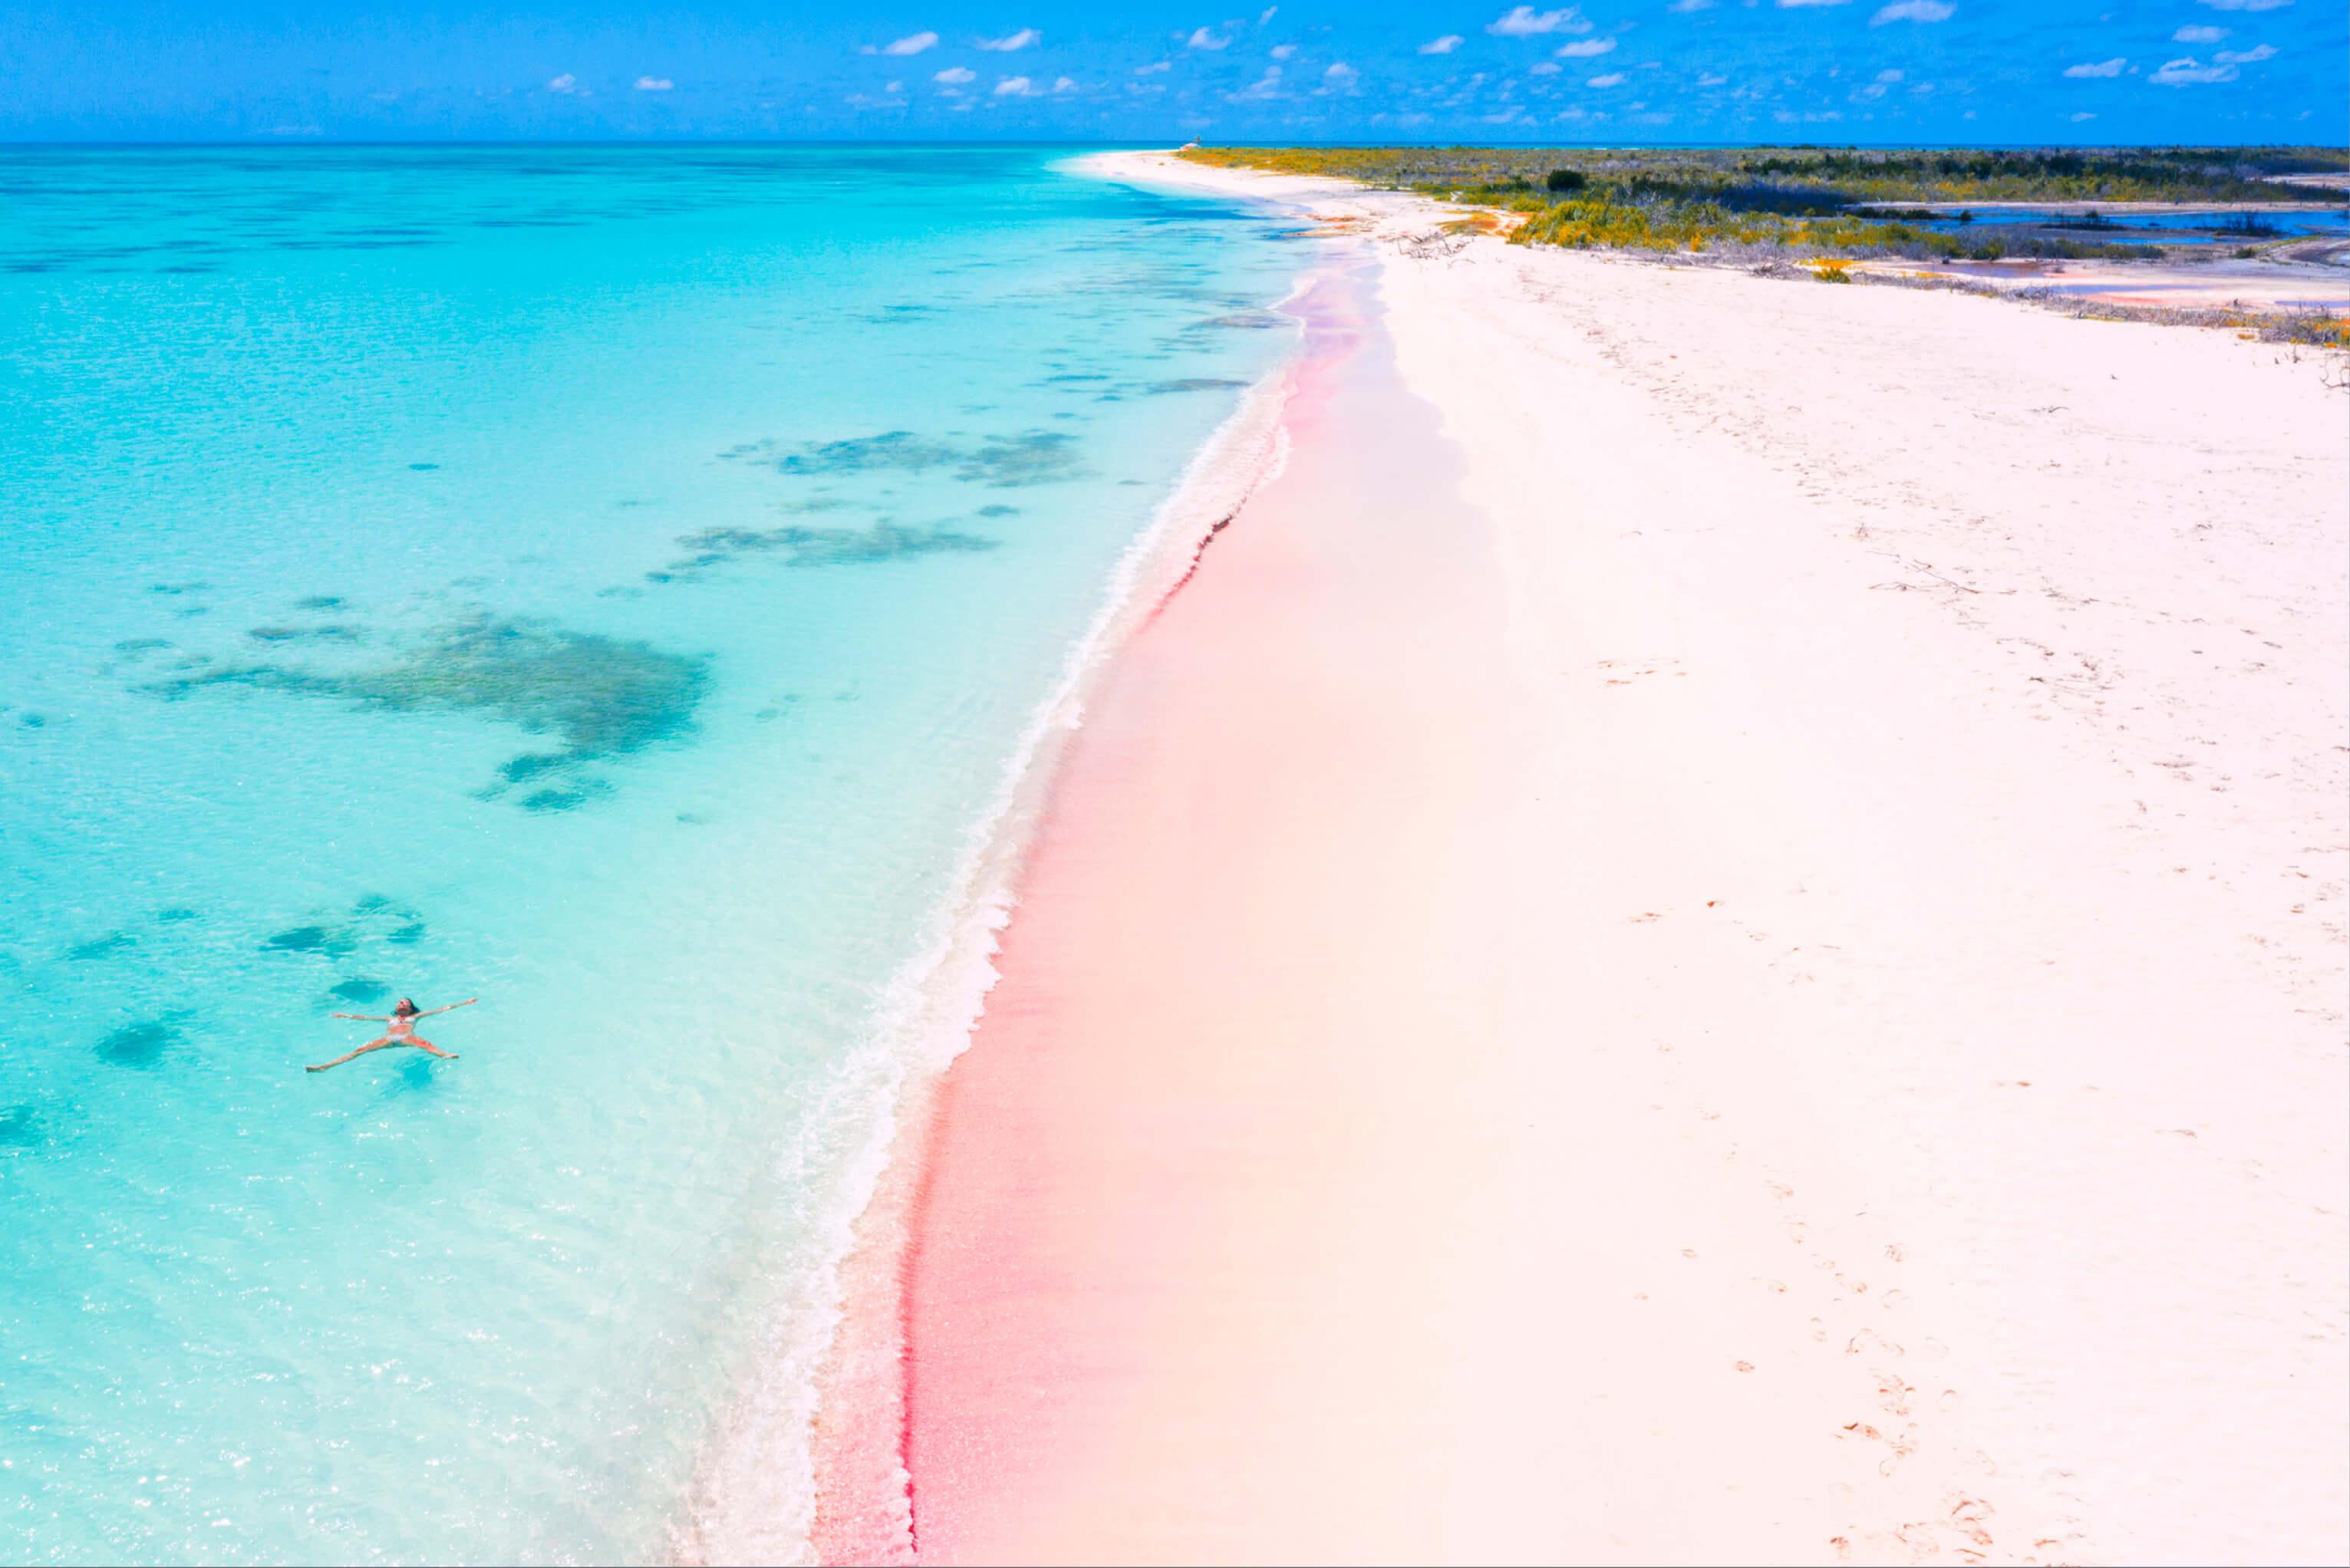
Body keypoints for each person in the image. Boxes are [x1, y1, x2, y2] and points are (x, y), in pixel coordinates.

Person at [307, 996, 476, 1072]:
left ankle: (445, 1055)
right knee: (359, 1051)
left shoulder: (414, 1017)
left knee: (426, 1044)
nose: (401, 1004)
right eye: (400, 1002)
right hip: (387, 1039)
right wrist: (346, 1015)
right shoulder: (389, 1018)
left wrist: (463, 1003)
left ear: (410, 1008)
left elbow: (439, 1010)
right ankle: (325, 1066)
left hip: (407, 1037)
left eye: (405, 1003)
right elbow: (365, 1018)